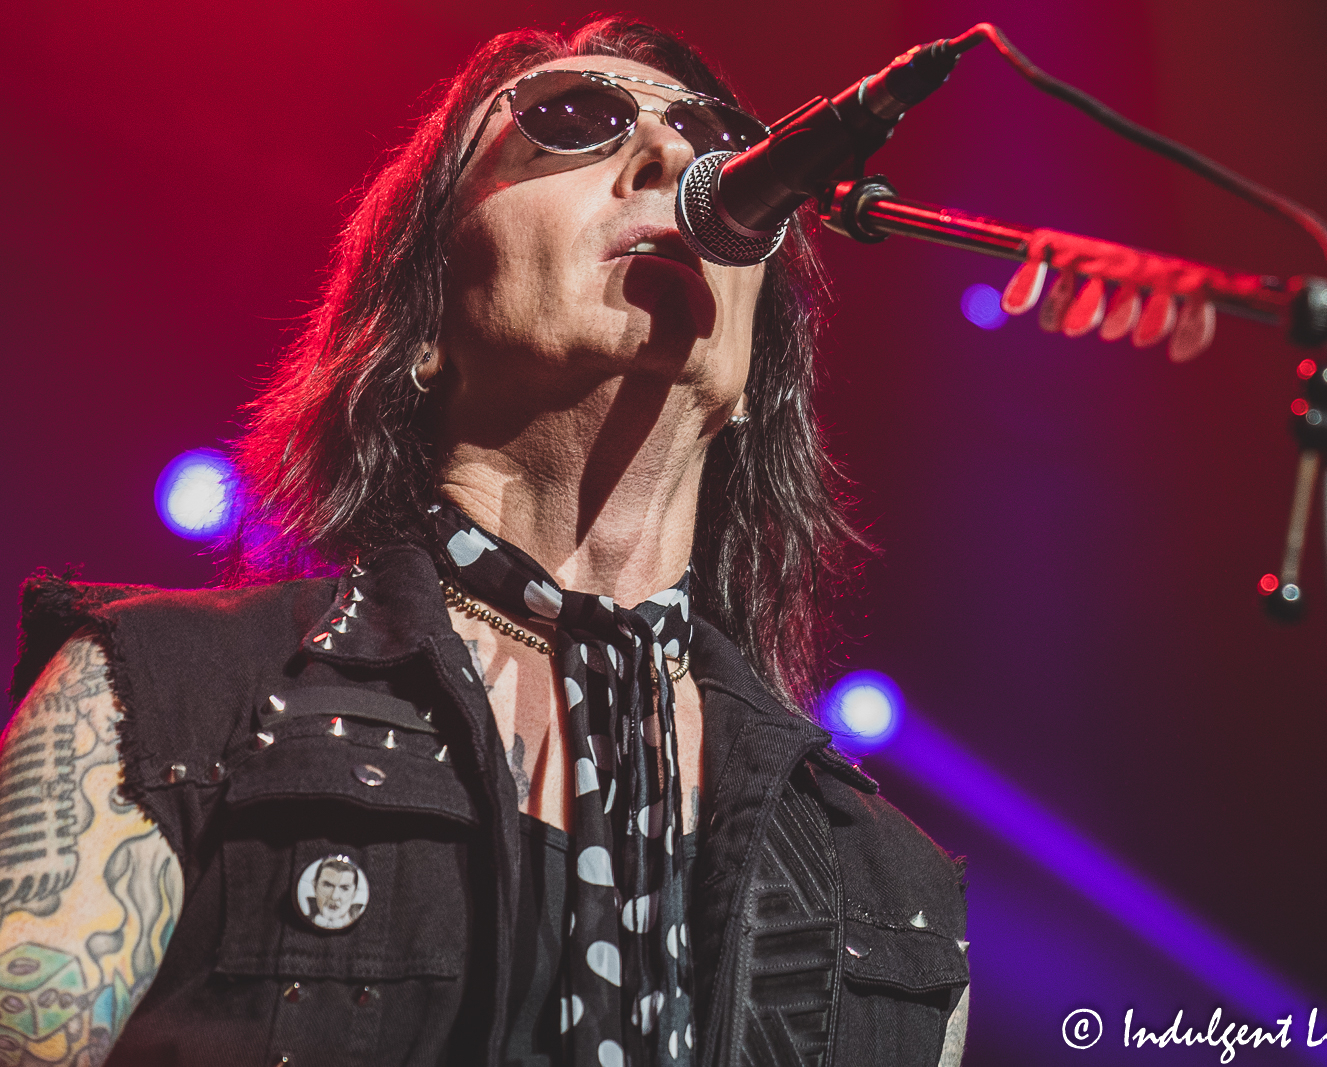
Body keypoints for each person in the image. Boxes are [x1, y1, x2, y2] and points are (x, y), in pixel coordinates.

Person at [2, 17, 969, 1067]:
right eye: (574, 122)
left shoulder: (883, 883)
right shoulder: (169, 698)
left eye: (711, 137)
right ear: (420, 319)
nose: (668, 157)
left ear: (750, 370)